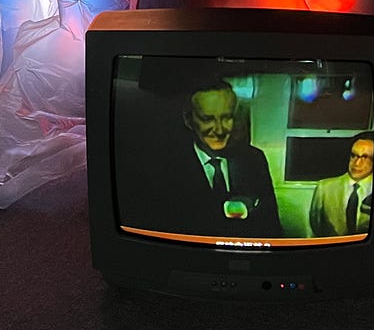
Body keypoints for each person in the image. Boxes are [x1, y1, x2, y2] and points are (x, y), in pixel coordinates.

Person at [119, 81, 283, 239]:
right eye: (208, 119)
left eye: (227, 117)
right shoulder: (165, 167)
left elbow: (271, 227)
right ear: (188, 120)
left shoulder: (254, 160)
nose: (219, 129)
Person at [307, 132, 374, 237]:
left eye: (365, 157)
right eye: (353, 155)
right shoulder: (324, 188)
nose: (356, 163)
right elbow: (316, 225)